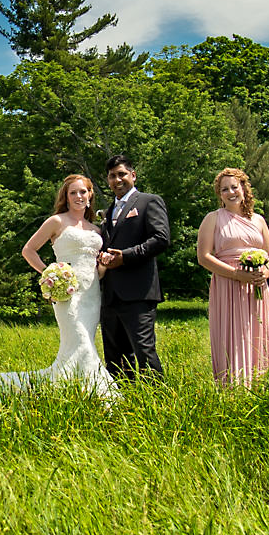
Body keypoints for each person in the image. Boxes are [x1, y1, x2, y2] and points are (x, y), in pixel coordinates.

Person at [0, 175, 116, 401]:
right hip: (67, 295)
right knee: (80, 340)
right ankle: (102, 394)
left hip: (92, 295)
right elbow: (29, 250)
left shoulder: (96, 228)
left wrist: (103, 268)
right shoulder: (56, 221)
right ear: (66, 196)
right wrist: (50, 274)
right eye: (73, 193)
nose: (78, 197)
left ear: (90, 194)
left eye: (83, 192)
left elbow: (95, 264)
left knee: (84, 343)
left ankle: (77, 390)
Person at [198, 167, 269, 387]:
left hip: (256, 288)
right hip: (227, 285)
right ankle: (230, 388)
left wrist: (263, 274)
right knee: (230, 337)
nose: (231, 192)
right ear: (219, 194)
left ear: (244, 188)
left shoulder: (259, 220)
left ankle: (258, 385)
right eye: (225, 189)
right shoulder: (213, 219)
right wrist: (236, 274)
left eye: (235, 186)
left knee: (255, 335)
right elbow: (203, 257)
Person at [96, 154, 170, 381]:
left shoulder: (149, 201)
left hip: (138, 292)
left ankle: (157, 401)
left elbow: (161, 238)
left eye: (122, 174)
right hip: (110, 295)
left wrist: (125, 257)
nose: (117, 180)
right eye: (112, 176)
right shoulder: (108, 212)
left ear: (133, 175)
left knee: (144, 352)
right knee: (115, 357)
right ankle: (122, 400)